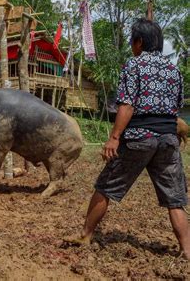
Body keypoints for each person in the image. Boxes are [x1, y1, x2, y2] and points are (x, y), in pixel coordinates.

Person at [65, 18, 189, 259]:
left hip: (138, 138)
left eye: (133, 40)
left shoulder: (134, 66)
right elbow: (175, 108)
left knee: (105, 187)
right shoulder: (174, 71)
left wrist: (114, 137)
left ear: (139, 42)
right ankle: (187, 250)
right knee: (175, 199)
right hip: (167, 140)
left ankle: (86, 235)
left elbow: (127, 106)